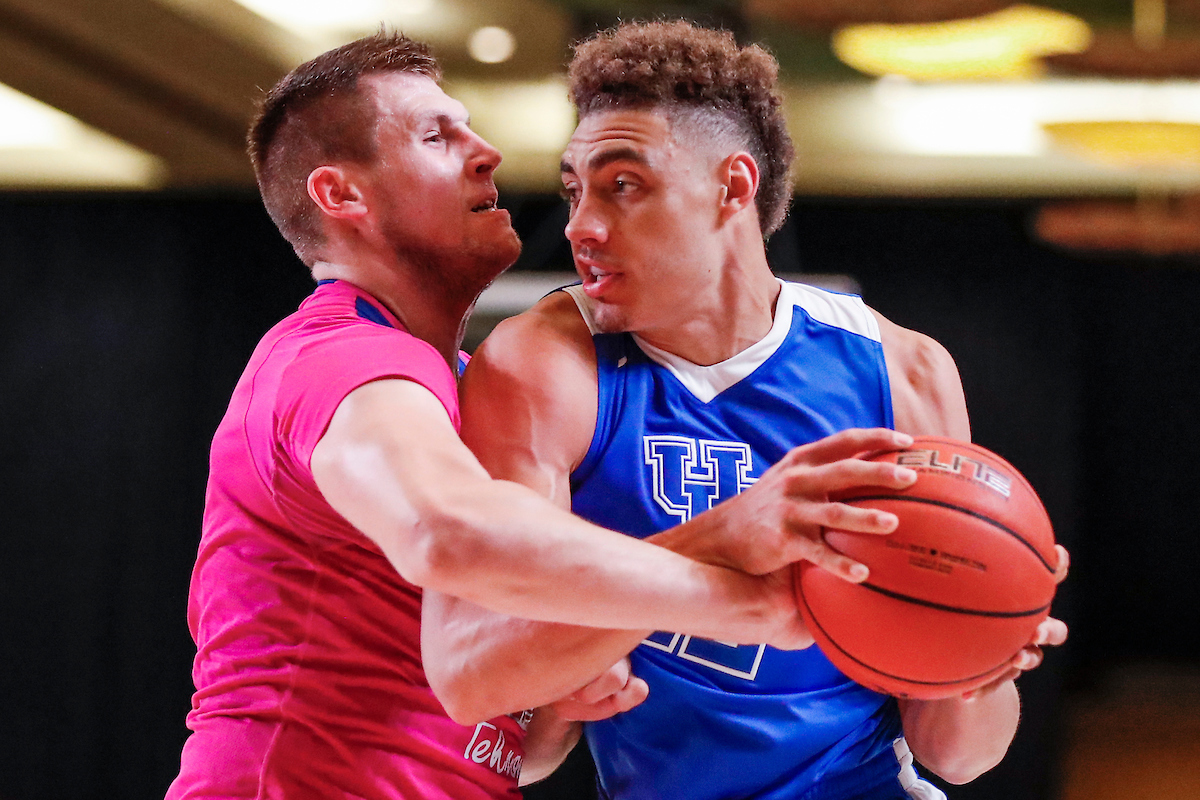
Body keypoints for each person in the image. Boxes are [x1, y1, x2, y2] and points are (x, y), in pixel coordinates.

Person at [166, 30, 924, 800]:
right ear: (343, 196)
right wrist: (738, 584)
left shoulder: (453, 383)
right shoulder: (343, 359)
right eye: (437, 135)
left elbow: (481, 736)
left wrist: (558, 704)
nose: (486, 150)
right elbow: (445, 531)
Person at [423, 20, 1070, 800]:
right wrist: (562, 706)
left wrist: (981, 651)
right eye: (574, 189)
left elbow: (959, 754)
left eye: (623, 185)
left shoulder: (902, 371)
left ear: (733, 187)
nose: (580, 226)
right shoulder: (543, 368)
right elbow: (486, 705)